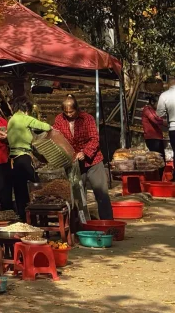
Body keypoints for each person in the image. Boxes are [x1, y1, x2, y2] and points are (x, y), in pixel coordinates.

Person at [52, 92, 113, 220]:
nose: (69, 115)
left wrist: (85, 152)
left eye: (71, 112)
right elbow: (56, 137)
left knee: (101, 194)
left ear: (77, 109)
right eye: (66, 112)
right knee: (78, 197)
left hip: (93, 161)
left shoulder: (87, 119)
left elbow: (94, 139)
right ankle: (81, 224)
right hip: (74, 163)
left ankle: (107, 223)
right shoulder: (59, 119)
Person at [6, 101, 51, 221]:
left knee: (19, 190)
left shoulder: (11, 120)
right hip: (24, 158)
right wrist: (52, 128)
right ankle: (40, 217)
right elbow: (45, 126)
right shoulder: (24, 118)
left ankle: (24, 217)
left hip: (13, 159)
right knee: (36, 186)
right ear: (27, 110)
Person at [140, 96, 167, 167]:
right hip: (153, 139)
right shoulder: (147, 110)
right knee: (157, 161)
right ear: (152, 102)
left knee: (161, 161)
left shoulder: (153, 110)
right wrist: (169, 123)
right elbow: (156, 120)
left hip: (157, 138)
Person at [153, 76, 175, 165]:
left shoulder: (164, 95)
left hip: (173, 128)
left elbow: (159, 114)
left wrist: (167, 112)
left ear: (169, 85)